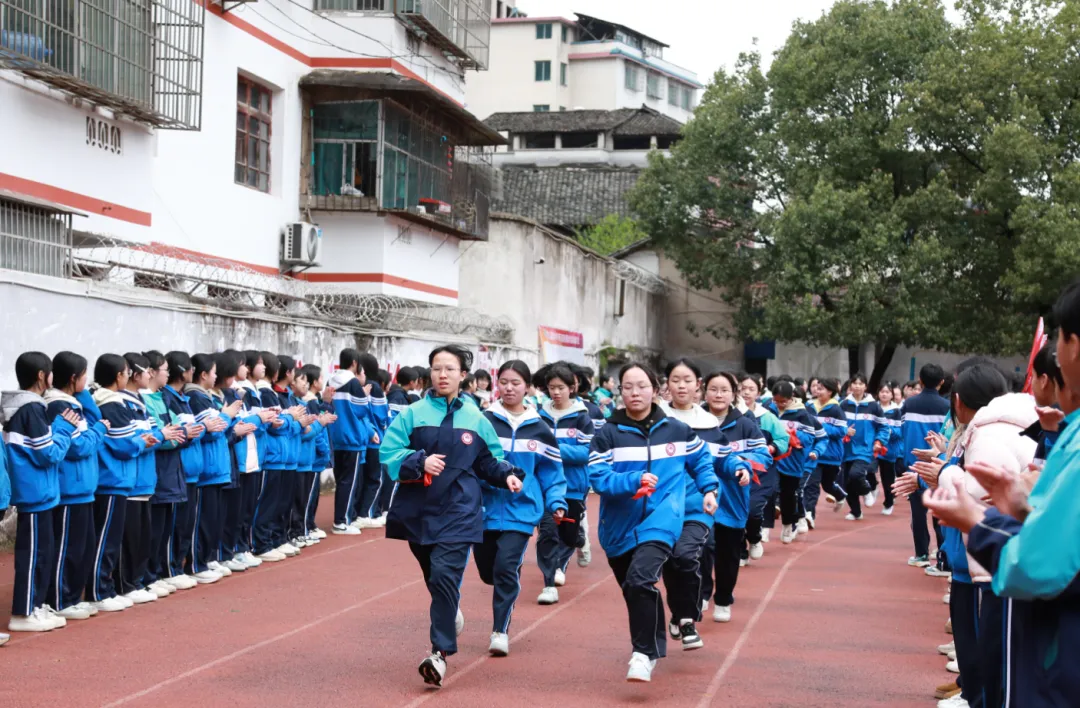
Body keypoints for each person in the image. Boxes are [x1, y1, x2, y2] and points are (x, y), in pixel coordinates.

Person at [380, 344, 524, 688]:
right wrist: (419, 460)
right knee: (435, 577)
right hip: (417, 511)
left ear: (463, 375)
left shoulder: (476, 418)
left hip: (460, 510)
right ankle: (448, 609)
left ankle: (438, 654)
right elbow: (389, 452)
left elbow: (489, 459)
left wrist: (506, 474)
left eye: (449, 369)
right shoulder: (412, 414)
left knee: (445, 575)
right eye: (436, 368)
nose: (442, 375)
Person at [587, 361, 719, 683]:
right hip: (618, 528)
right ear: (619, 391)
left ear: (656, 389)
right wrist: (632, 480)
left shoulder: (676, 429)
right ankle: (653, 641)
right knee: (635, 589)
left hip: (663, 518)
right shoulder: (607, 434)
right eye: (628, 386)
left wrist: (710, 488)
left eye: (642, 386)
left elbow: (700, 459)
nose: (635, 393)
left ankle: (643, 654)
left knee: (641, 579)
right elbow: (598, 477)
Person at [478, 360, 567, 656]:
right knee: (488, 572)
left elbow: (551, 472)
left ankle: (499, 631)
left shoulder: (540, 429)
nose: (509, 387)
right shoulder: (484, 420)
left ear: (527, 387)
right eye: (503, 381)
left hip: (522, 511)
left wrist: (555, 501)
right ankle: (499, 586)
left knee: (506, 567)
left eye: (516, 382)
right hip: (485, 510)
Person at [661, 360, 751, 648]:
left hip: (697, 506)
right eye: (676, 380)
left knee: (689, 556)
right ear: (666, 385)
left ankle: (687, 619)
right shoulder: (654, 420)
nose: (681, 386)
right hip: (658, 508)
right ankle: (678, 613)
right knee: (669, 563)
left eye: (687, 380)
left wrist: (739, 467)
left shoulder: (708, 424)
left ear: (697, 384)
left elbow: (724, 456)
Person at [3, 352, 79, 632]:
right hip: (34, 492)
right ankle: (22, 613)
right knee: (33, 555)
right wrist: (63, 428)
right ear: (41, 376)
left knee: (43, 552)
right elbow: (49, 453)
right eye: (49, 374)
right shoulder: (30, 408)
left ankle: (34, 605)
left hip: (41, 492)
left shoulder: (31, 407)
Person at [698, 371, 771, 622]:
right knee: (700, 548)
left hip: (732, 498)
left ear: (733, 394)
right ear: (704, 391)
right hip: (698, 497)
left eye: (724, 390)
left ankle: (724, 598)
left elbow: (764, 456)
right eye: (713, 389)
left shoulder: (746, 425)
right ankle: (702, 592)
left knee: (728, 553)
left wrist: (743, 464)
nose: (718, 395)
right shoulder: (693, 423)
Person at [89, 354, 160, 609]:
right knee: (107, 542)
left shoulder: (117, 402)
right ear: (120, 375)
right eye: (126, 372)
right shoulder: (110, 403)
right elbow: (124, 444)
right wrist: (144, 441)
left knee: (117, 539)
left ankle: (111, 588)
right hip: (111, 479)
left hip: (122, 479)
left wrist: (146, 439)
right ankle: (101, 591)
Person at [44, 351, 109, 620]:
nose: (87, 381)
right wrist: (99, 431)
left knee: (80, 547)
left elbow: (92, 419)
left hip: (83, 488)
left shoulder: (74, 401)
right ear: (73, 378)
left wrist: (83, 395)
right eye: (84, 376)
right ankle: (60, 599)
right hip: (70, 487)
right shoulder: (59, 406)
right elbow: (78, 446)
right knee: (65, 549)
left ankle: (71, 596)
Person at [535, 363, 594, 603]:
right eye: (551, 388)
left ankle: (577, 538)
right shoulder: (538, 416)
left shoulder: (582, 418)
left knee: (568, 536)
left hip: (573, 486)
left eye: (560, 388)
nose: (556, 393)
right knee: (547, 531)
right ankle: (549, 581)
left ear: (572, 388)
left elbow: (585, 453)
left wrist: (554, 449)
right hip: (545, 485)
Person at [142, 350, 196, 593]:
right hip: (158, 473)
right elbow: (163, 436)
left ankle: (158, 573)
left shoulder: (161, 398)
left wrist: (179, 434)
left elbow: (180, 428)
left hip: (171, 472)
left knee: (164, 528)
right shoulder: (145, 400)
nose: (166, 374)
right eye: (164, 369)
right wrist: (177, 435)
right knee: (153, 530)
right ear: (152, 372)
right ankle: (153, 574)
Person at [899, 363, 951, 567]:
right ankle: (942, 554)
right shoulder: (947, 407)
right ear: (942, 382)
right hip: (939, 464)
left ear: (920, 380)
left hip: (914, 464)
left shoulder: (909, 404)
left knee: (918, 512)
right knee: (940, 510)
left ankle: (921, 553)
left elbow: (903, 431)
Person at [163, 351, 207, 581]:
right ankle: (171, 569)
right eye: (189, 368)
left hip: (191, 471)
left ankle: (177, 567)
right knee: (176, 525)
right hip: (179, 471)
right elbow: (176, 434)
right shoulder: (167, 399)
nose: (192, 372)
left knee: (186, 524)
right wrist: (194, 431)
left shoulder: (183, 398)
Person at [740, 374, 789, 555]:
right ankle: (740, 551)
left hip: (761, 474)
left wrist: (773, 447)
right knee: (734, 513)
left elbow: (783, 438)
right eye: (742, 388)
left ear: (758, 393)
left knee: (752, 510)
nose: (746, 392)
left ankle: (754, 538)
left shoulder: (767, 417)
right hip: (734, 472)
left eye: (751, 389)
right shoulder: (727, 416)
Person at [327, 348, 372, 536]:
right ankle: (342, 521)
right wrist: (365, 394)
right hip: (352, 437)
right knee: (349, 481)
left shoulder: (331, 380)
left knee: (341, 480)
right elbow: (362, 410)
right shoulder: (353, 382)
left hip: (336, 437)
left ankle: (342, 519)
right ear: (354, 363)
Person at [768, 381, 819, 542]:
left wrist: (793, 435)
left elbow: (810, 437)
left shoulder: (802, 414)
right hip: (773, 458)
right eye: (777, 401)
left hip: (793, 460)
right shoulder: (769, 410)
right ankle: (763, 529)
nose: (780, 405)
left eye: (783, 401)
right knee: (770, 491)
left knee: (788, 495)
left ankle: (788, 524)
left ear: (791, 398)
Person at [838, 373, 890, 520]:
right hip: (847, 448)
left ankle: (867, 490)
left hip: (865, 448)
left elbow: (884, 427)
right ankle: (856, 511)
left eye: (861, 384)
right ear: (850, 386)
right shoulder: (843, 404)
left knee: (856, 474)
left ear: (865, 387)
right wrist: (845, 431)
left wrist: (879, 442)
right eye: (854, 383)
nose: (857, 386)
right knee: (848, 482)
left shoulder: (874, 406)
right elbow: (838, 424)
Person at [808, 378, 848, 517]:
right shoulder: (809, 406)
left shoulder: (836, 409)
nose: (817, 391)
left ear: (830, 391)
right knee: (811, 485)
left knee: (827, 485)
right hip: (814, 453)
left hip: (831, 455)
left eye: (821, 389)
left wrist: (821, 428)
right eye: (816, 388)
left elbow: (842, 431)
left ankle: (840, 495)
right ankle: (809, 515)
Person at [877, 381, 903, 516]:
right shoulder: (873, 408)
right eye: (882, 392)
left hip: (889, 450)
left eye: (887, 392)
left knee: (887, 478)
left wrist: (889, 431)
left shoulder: (896, 411)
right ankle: (870, 487)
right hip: (874, 448)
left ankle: (889, 502)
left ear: (892, 395)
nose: (884, 394)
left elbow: (899, 433)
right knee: (867, 469)